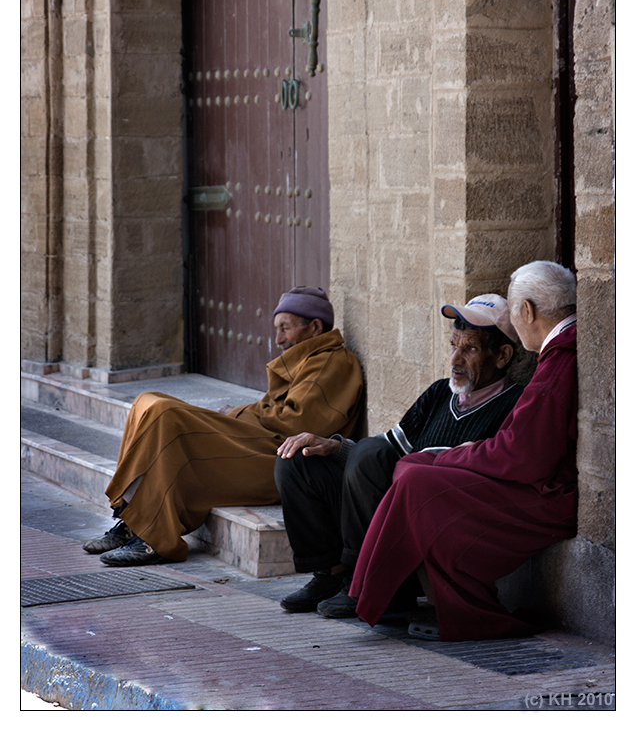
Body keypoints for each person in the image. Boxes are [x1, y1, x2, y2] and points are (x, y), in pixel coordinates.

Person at [350, 260, 578, 642]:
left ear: (527, 312)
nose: (456, 357)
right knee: (412, 469)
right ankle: (397, 595)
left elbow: (522, 456)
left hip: (549, 497)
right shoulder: (557, 354)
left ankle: (462, 613)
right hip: (537, 482)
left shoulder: (560, 358)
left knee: (421, 479)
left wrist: (448, 456)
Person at [275, 294, 523, 617]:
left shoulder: (515, 403)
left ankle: (364, 582)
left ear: (502, 356)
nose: (454, 360)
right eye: (453, 345)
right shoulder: (439, 392)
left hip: (431, 522)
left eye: (470, 349)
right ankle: (331, 574)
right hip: (392, 504)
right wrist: (334, 446)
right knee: (296, 461)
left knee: (380, 461)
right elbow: (388, 449)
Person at [82, 287, 364, 567]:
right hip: (261, 445)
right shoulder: (308, 358)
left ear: (315, 327)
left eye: (285, 329)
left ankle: (155, 539)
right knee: (147, 402)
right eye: (277, 329)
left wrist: (238, 413)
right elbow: (277, 416)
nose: (278, 339)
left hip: (281, 463)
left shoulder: (334, 361)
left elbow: (298, 423)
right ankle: (133, 520)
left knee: (164, 413)